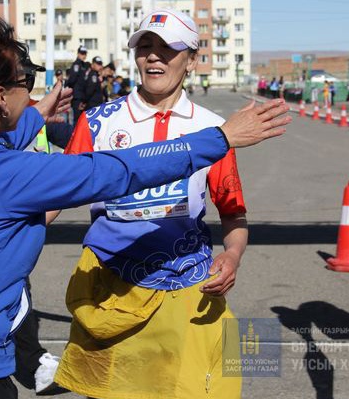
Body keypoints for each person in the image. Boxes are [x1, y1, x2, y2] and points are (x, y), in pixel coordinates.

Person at [0, 13, 291, 399]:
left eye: (168, 47)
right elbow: (117, 171)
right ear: (1, 97)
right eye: (25, 84)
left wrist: (33, 116)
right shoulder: (26, 165)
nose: (154, 56)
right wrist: (219, 138)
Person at [52, 9, 281, 399]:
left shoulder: (214, 130)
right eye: (145, 46)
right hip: (111, 292)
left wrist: (232, 255)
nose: (154, 56)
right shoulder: (97, 123)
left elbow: (233, 213)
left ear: (192, 60)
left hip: (188, 291)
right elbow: (53, 197)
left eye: (168, 48)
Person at [65, 46, 89, 124]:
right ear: (78, 54)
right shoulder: (77, 65)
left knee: (82, 119)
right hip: (77, 96)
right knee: (77, 119)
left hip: (82, 96)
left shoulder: (84, 65)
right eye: (82, 54)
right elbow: (72, 80)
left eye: (85, 54)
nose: (83, 56)